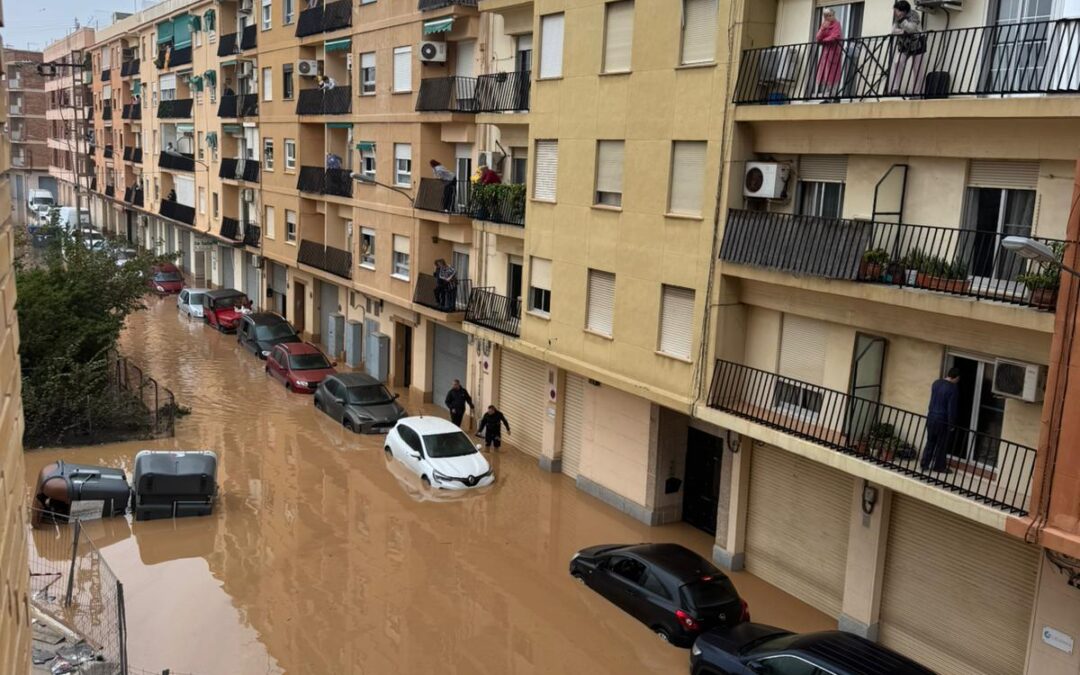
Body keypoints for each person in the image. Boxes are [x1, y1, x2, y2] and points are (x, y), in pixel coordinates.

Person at [921, 367, 960, 473]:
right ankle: (939, 466)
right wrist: (951, 424)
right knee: (941, 444)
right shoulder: (953, 389)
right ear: (956, 378)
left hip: (931, 416)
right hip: (942, 419)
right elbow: (951, 408)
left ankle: (924, 464)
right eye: (958, 379)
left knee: (930, 441)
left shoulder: (936, 383)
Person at [889, 1, 925, 97]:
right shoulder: (898, 18)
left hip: (917, 43)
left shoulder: (914, 15)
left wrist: (903, 23)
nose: (895, 13)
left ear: (903, 11)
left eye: (897, 11)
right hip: (904, 44)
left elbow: (912, 29)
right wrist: (903, 32)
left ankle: (917, 93)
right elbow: (893, 31)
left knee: (917, 68)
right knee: (898, 62)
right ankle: (895, 88)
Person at [814, 8, 843, 102]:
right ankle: (827, 97)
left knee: (833, 75)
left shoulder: (837, 24)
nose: (828, 17)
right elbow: (818, 38)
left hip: (834, 53)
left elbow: (835, 36)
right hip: (825, 54)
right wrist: (822, 29)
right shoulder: (824, 25)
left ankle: (834, 96)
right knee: (825, 75)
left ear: (833, 15)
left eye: (830, 15)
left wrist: (824, 40)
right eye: (826, 16)